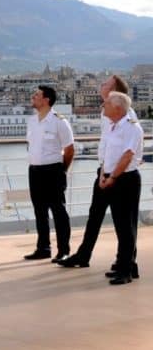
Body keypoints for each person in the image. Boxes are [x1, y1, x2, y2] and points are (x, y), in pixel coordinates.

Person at [59, 75, 138, 271]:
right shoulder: (107, 113)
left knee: (126, 222)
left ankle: (128, 262)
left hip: (121, 175)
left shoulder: (127, 117)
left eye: (105, 84)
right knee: (94, 216)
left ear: (115, 91)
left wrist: (114, 174)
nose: (100, 86)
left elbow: (129, 151)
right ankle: (84, 255)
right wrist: (103, 172)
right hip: (104, 171)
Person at [23, 85, 75, 262]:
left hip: (53, 170)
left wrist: (62, 170)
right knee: (40, 211)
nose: (33, 97)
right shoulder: (32, 121)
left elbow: (69, 149)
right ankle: (43, 248)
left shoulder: (59, 121)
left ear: (46, 100)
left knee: (58, 211)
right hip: (35, 171)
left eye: (36, 95)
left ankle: (64, 250)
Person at [98, 91, 143, 284]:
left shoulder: (132, 128)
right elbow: (107, 155)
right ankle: (127, 266)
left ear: (117, 107)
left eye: (106, 103)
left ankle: (125, 271)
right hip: (111, 178)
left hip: (126, 180)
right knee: (119, 225)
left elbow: (127, 155)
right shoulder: (111, 127)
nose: (103, 106)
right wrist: (103, 175)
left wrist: (113, 177)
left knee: (127, 226)